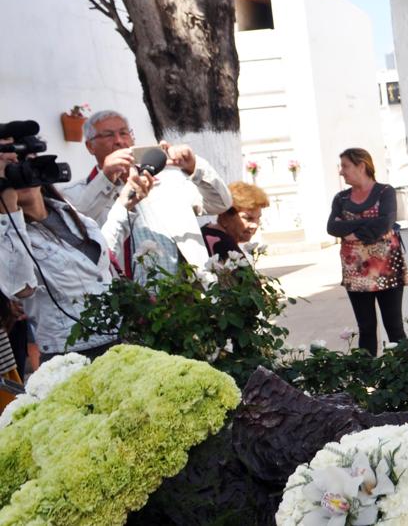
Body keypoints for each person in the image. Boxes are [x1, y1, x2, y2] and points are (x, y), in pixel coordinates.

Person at [0, 158, 152, 360]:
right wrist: (9, 212)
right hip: (73, 353)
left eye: (19, 166)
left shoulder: (67, 211)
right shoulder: (8, 236)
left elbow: (92, 265)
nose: (17, 176)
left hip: (119, 338)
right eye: (8, 172)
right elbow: (21, 287)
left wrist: (123, 207)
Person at [61, 110, 233, 278]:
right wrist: (106, 178)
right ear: (90, 146)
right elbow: (71, 227)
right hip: (127, 298)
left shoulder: (169, 179)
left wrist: (194, 167)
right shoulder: (75, 193)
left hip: (185, 295)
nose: (119, 141)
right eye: (108, 135)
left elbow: (220, 203)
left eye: (124, 133)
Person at [327, 148, 408, 356]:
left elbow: (385, 224)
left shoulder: (385, 192)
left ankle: (406, 378)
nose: (341, 172)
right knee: (366, 329)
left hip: (387, 270)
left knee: (395, 328)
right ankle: (368, 382)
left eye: (345, 166)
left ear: (361, 166)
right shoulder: (341, 199)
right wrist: (368, 225)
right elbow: (332, 228)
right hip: (355, 273)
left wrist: (351, 228)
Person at [201, 181, 270, 261]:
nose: (255, 225)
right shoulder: (222, 243)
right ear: (225, 216)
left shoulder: (207, 232)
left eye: (258, 218)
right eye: (248, 218)